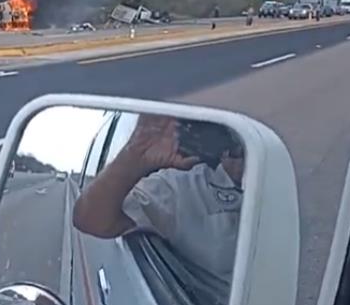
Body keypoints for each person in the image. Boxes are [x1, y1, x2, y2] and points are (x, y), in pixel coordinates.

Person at [72, 115, 244, 284]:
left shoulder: (269, 181)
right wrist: (135, 153)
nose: (242, 152)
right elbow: (89, 218)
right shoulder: (181, 187)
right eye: (238, 138)